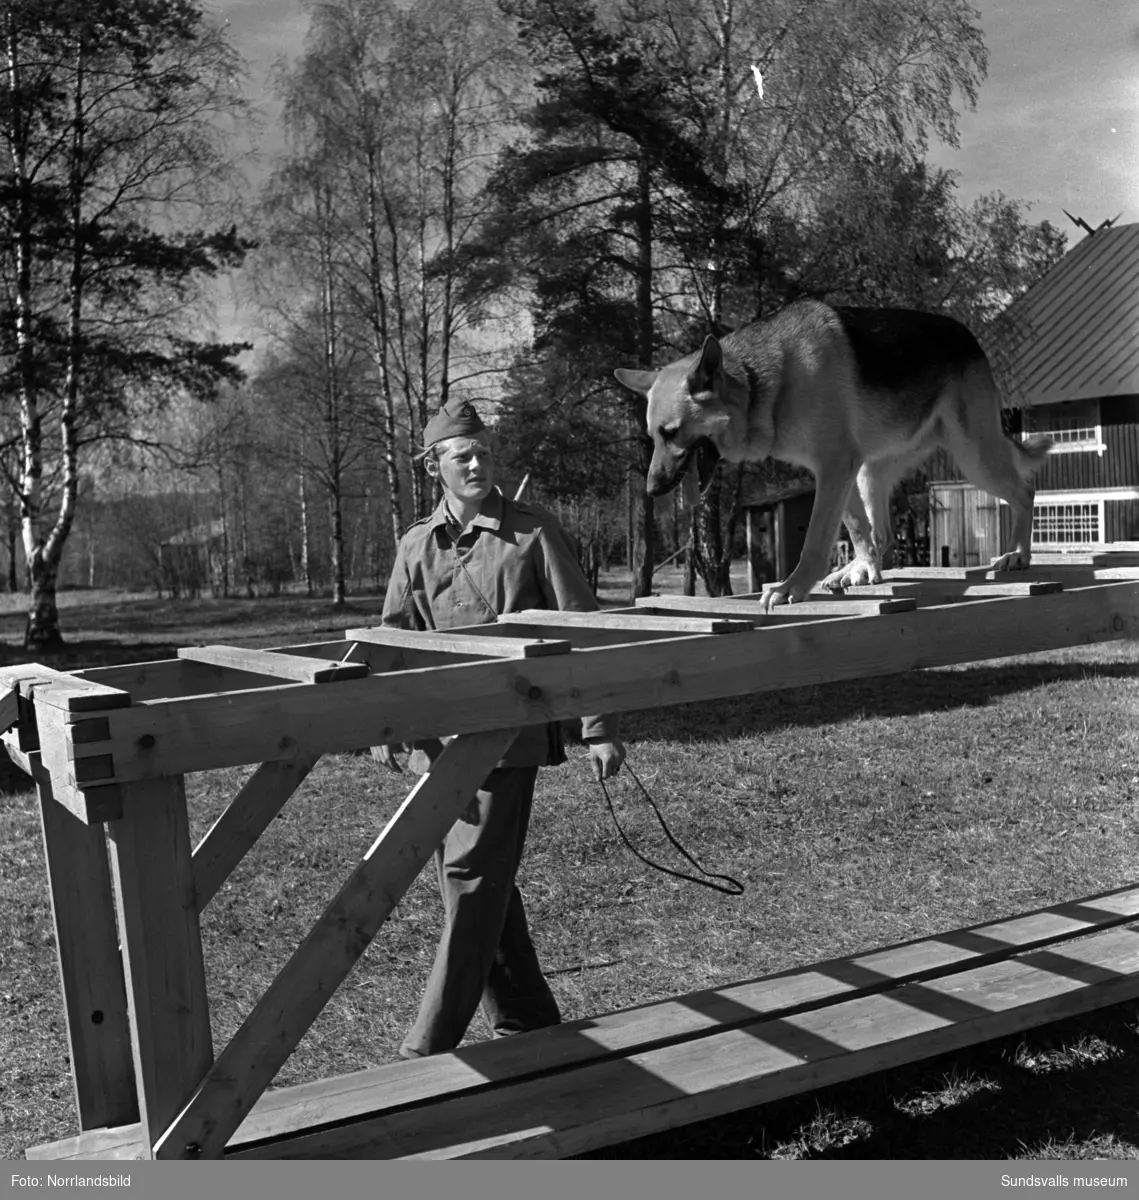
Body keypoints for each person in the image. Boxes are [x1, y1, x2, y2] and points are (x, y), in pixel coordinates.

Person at [377, 396, 625, 1059]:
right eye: (463, 456)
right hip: (437, 746)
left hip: (508, 738)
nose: (478, 463)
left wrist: (597, 725)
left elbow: (586, 631)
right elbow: (393, 642)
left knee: (470, 880)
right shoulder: (414, 545)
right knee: (475, 883)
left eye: (484, 452)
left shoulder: (533, 533)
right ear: (436, 468)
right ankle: (526, 1017)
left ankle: (427, 1048)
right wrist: (387, 727)